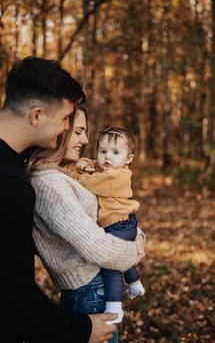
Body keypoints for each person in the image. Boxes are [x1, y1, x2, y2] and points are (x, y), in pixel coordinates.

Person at [0, 56, 144, 343]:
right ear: (37, 115)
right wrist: (137, 247)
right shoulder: (18, 183)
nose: (70, 131)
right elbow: (14, 294)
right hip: (85, 294)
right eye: (67, 121)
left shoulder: (18, 170)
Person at [26, 98, 145, 340]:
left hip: (89, 289)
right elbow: (97, 247)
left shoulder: (59, 174)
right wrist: (137, 248)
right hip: (87, 292)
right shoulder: (49, 182)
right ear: (60, 129)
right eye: (78, 131)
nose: (86, 140)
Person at [71, 127, 145, 325]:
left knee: (112, 265)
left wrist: (76, 174)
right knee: (123, 258)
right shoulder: (109, 169)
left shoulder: (117, 176)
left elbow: (89, 183)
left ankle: (114, 306)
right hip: (122, 222)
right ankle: (135, 283)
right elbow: (93, 166)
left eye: (115, 152)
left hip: (119, 225)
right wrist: (85, 164)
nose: (107, 157)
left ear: (128, 159)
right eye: (102, 151)